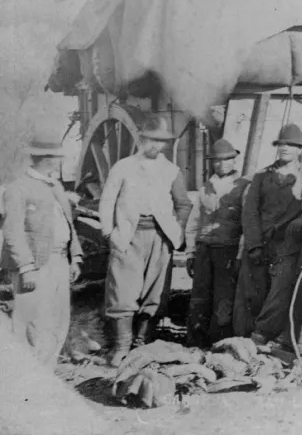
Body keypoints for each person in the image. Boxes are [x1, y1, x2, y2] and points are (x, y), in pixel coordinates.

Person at [99, 116, 186, 367]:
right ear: (141, 139)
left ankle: (142, 343)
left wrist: (176, 230)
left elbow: (183, 204)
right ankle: (121, 346)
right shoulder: (123, 167)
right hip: (128, 235)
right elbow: (107, 201)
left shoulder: (171, 171)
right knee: (122, 289)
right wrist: (109, 233)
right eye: (151, 140)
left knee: (155, 291)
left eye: (161, 142)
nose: (155, 146)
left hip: (160, 237)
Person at [0, 130, 83, 366]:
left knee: (58, 320)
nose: (60, 161)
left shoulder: (55, 186)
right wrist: (26, 267)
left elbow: (69, 223)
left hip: (59, 261)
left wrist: (75, 256)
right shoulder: (18, 189)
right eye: (57, 157)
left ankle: (47, 373)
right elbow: (12, 232)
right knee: (32, 322)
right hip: (35, 265)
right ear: (45, 158)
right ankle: (27, 378)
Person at [237, 124, 302, 347]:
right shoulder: (262, 176)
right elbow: (249, 212)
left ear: (300, 150)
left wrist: (296, 225)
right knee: (253, 293)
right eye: (282, 144)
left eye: (292, 145)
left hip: (288, 245)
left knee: (281, 291)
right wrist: (255, 245)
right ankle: (247, 340)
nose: (286, 148)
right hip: (260, 241)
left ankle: (263, 336)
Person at [184, 139, 250, 347]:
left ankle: (220, 342)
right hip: (204, 249)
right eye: (218, 161)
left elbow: (247, 226)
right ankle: (196, 342)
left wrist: (240, 255)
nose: (222, 165)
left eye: (227, 160)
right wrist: (191, 253)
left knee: (224, 297)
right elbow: (194, 221)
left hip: (228, 250)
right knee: (200, 296)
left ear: (234, 160)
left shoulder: (244, 187)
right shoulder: (206, 187)